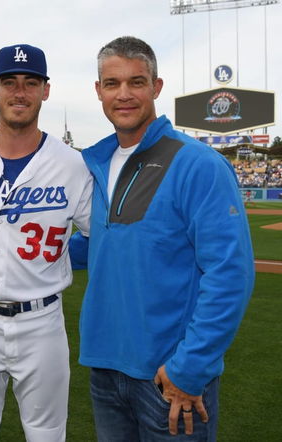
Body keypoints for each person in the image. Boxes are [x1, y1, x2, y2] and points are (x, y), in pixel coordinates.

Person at [70, 36, 254, 441]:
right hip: (105, 369)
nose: (124, 94)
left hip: (168, 376)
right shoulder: (94, 163)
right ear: (98, 91)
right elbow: (98, 245)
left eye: (136, 82)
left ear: (156, 87)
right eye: (112, 83)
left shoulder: (199, 163)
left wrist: (189, 369)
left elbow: (230, 274)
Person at [0, 44, 93, 442]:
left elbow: (102, 235)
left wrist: (63, 253)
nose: (20, 92)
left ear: (46, 91)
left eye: (31, 83)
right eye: (9, 82)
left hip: (42, 320)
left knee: (47, 434)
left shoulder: (72, 164)